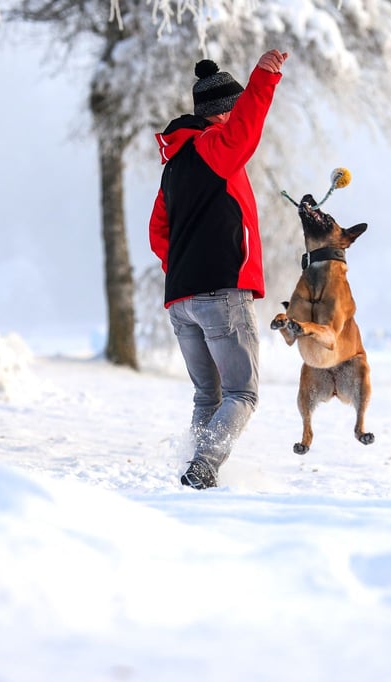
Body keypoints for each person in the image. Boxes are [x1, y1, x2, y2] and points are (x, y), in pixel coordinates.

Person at [148, 49, 288, 489]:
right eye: (234, 108)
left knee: (208, 395)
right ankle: (203, 467)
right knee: (242, 393)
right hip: (220, 295)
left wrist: (185, 270)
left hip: (181, 300)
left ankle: (197, 470)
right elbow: (246, 127)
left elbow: (158, 232)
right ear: (222, 115)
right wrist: (264, 78)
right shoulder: (215, 148)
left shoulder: (174, 168)